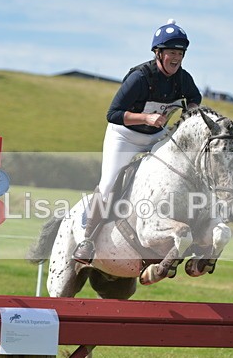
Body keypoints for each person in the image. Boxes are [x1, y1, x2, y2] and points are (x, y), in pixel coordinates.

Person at [73, 19, 203, 265]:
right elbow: (112, 114)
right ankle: (87, 240)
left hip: (156, 137)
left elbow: (195, 99)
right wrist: (145, 117)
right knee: (109, 181)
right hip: (125, 136)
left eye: (180, 53)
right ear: (158, 53)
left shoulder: (183, 78)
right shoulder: (139, 78)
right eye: (171, 53)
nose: (176, 58)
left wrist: (191, 114)